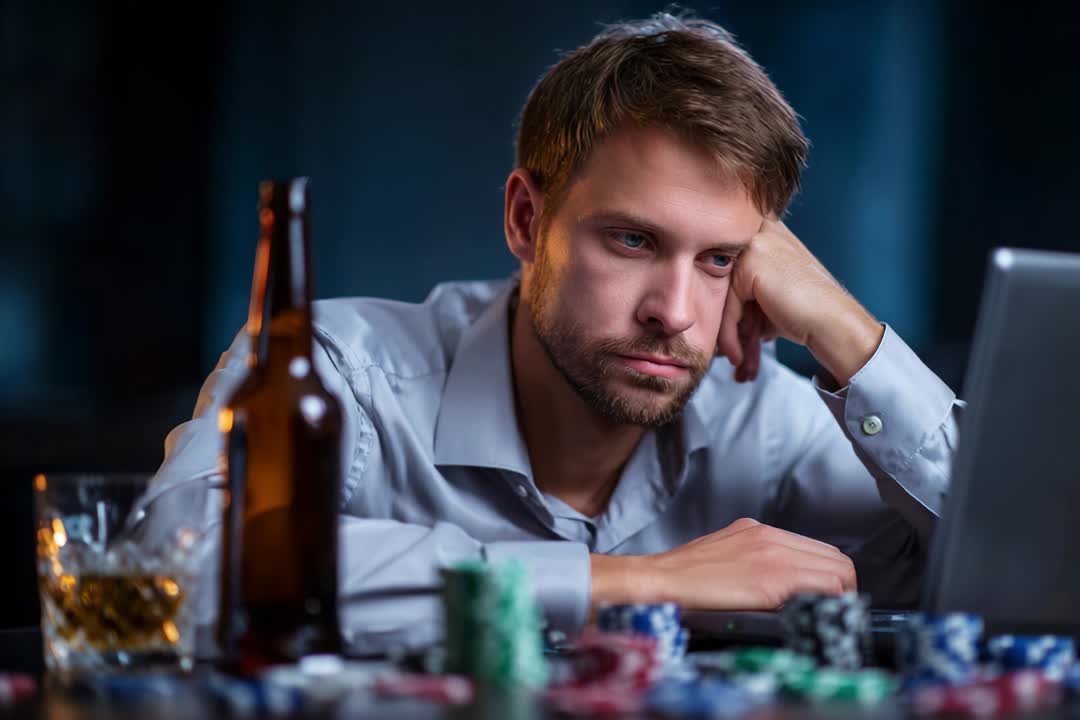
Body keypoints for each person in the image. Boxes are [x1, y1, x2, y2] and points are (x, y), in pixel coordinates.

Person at [156, 13, 961, 654]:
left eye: (719, 258)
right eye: (633, 241)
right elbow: (177, 570)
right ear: (525, 219)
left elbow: (1043, 575)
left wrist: (849, 332)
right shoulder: (333, 370)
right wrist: (635, 583)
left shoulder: (763, 418)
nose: (675, 313)